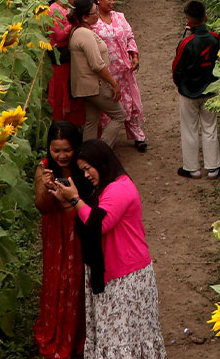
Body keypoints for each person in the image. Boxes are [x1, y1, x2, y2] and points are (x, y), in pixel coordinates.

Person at [47, 140, 166, 359]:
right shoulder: (104, 188)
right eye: (82, 170)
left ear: (101, 163)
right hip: (112, 272)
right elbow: (85, 221)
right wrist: (67, 202)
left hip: (127, 276)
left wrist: (74, 199)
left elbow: (98, 224)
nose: (85, 175)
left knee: (122, 336)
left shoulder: (120, 188)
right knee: (116, 334)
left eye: (87, 169)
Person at [33, 121, 86, 359]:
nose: (62, 156)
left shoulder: (84, 167)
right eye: (56, 150)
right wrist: (45, 189)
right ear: (48, 149)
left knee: (78, 278)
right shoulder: (44, 170)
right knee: (57, 279)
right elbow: (42, 208)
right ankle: (58, 333)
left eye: (67, 150)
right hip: (56, 231)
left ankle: (80, 335)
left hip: (79, 227)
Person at [90, 0, 148, 152]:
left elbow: (129, 37)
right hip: (105, 72)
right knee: (110, 105)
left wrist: (134, 55)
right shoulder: (93, 21)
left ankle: (138, 136)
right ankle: (107, 141)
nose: (113, 3)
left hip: (124, 70)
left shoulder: (119, 17)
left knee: (132, 103)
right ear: (98, 0)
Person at [172, 1, 220, 179]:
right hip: (210, 89)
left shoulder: (186, 42)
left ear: (188, 20)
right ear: (206, 17)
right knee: (210, 127)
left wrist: (180, 84)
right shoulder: (214, 39)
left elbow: (177, 67)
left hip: (188, 91)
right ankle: (213, 168)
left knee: (189, 128)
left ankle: (191, 168)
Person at [68, 0, 127, 147]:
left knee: (91, 121)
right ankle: (101, 150)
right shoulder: (85, 34)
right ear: (85, 17)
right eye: (94, 12)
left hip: (86, 86)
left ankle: (87, 154)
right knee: (120, 115)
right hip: (94, 85)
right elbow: (96, 64)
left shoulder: (79, 31)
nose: (97, 15)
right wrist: (113, 84)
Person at [47, 0, 86, 126]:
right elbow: (59, 34)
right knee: (60, 92)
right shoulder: (53, 10)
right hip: (59, 57)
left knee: (71, 91)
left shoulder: (69, 7)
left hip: (70, 55)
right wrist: (75, 23)